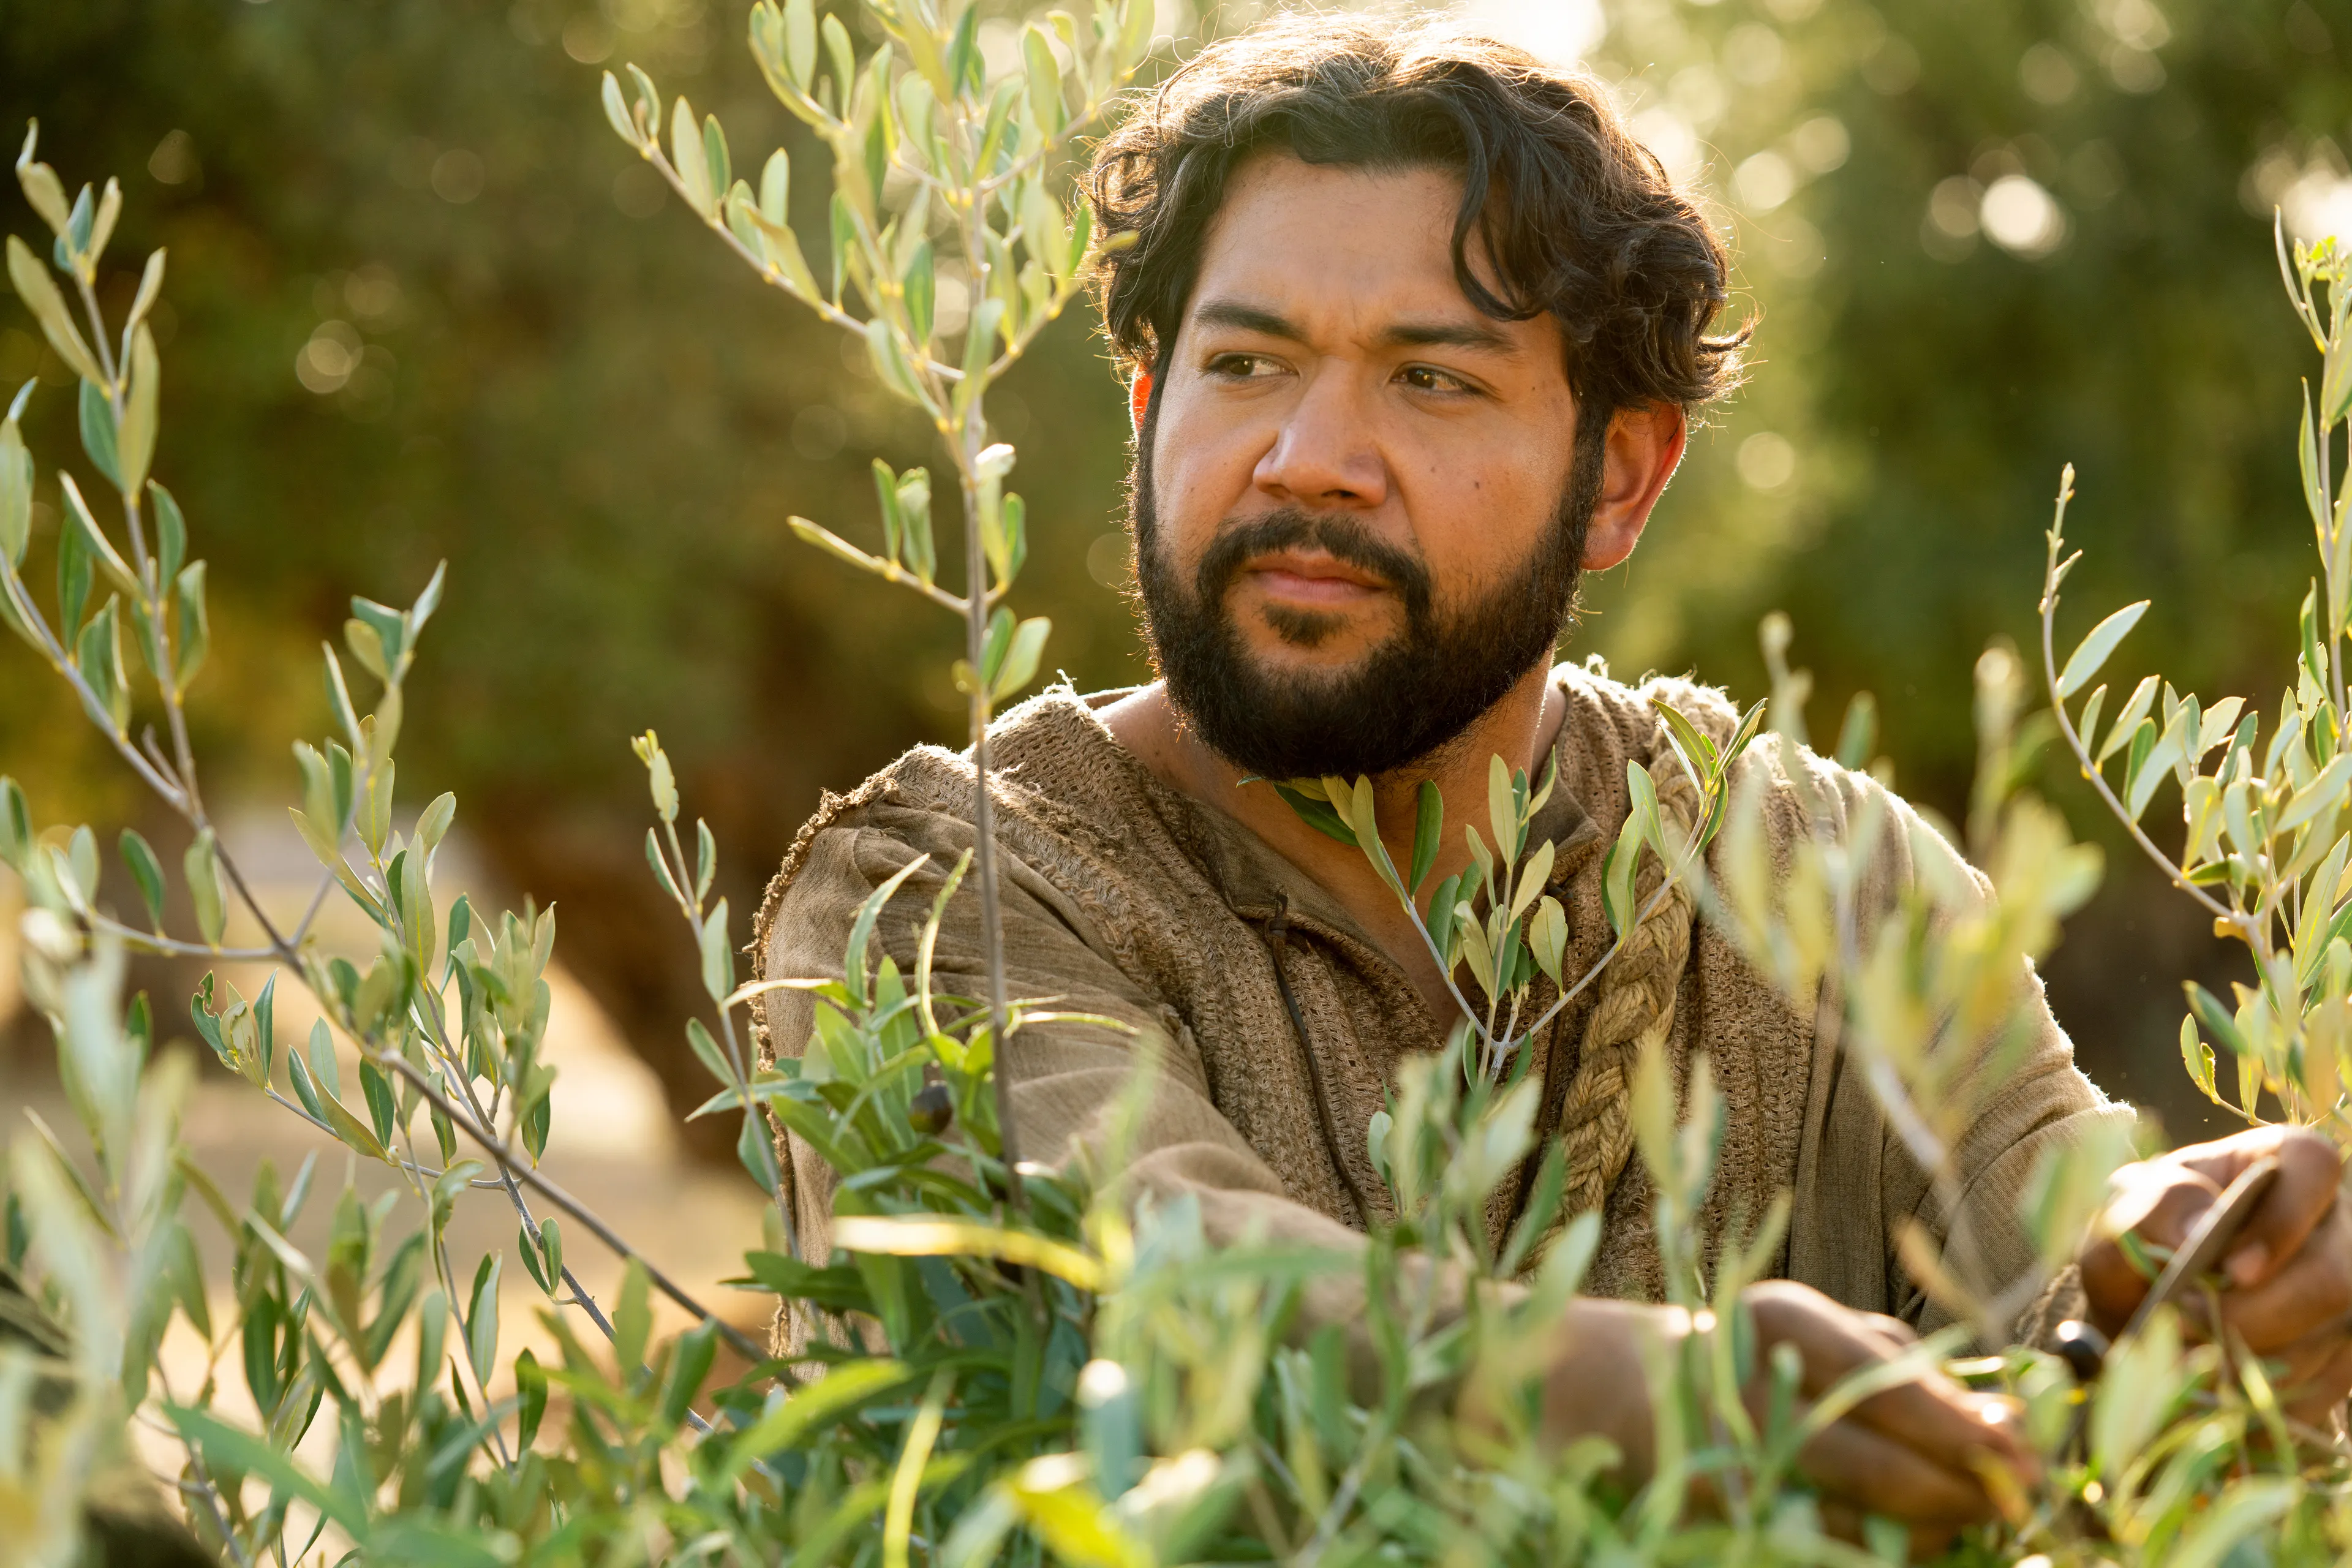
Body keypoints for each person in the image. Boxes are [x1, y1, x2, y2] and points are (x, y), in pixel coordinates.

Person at [753, 17, 2352, 1533]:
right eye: (1246, 365)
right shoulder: (936, 883)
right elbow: (1159, 1276)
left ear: (1622, 479)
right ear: (1147, 396)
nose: (1310, 455)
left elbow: (2061, 1258)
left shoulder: (1817, 875)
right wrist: (1680, 1402)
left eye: (1431, 378)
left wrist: (2205, 1265)